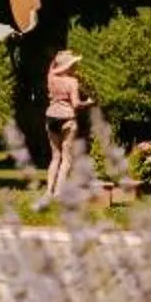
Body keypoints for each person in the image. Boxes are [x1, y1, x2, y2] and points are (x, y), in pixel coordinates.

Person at [44, 50, 96, 203]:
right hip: (67, 118)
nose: (76, 66)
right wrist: (89, 102)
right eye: (73, 64)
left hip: (51, 117)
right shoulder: (72, 82)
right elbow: (76, 104)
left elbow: (51, 67)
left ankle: (48, 191)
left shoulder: (51, 78)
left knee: (55, 157)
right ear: (68, 66)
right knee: (66, 158)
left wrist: (57, 60)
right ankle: (58, 192)